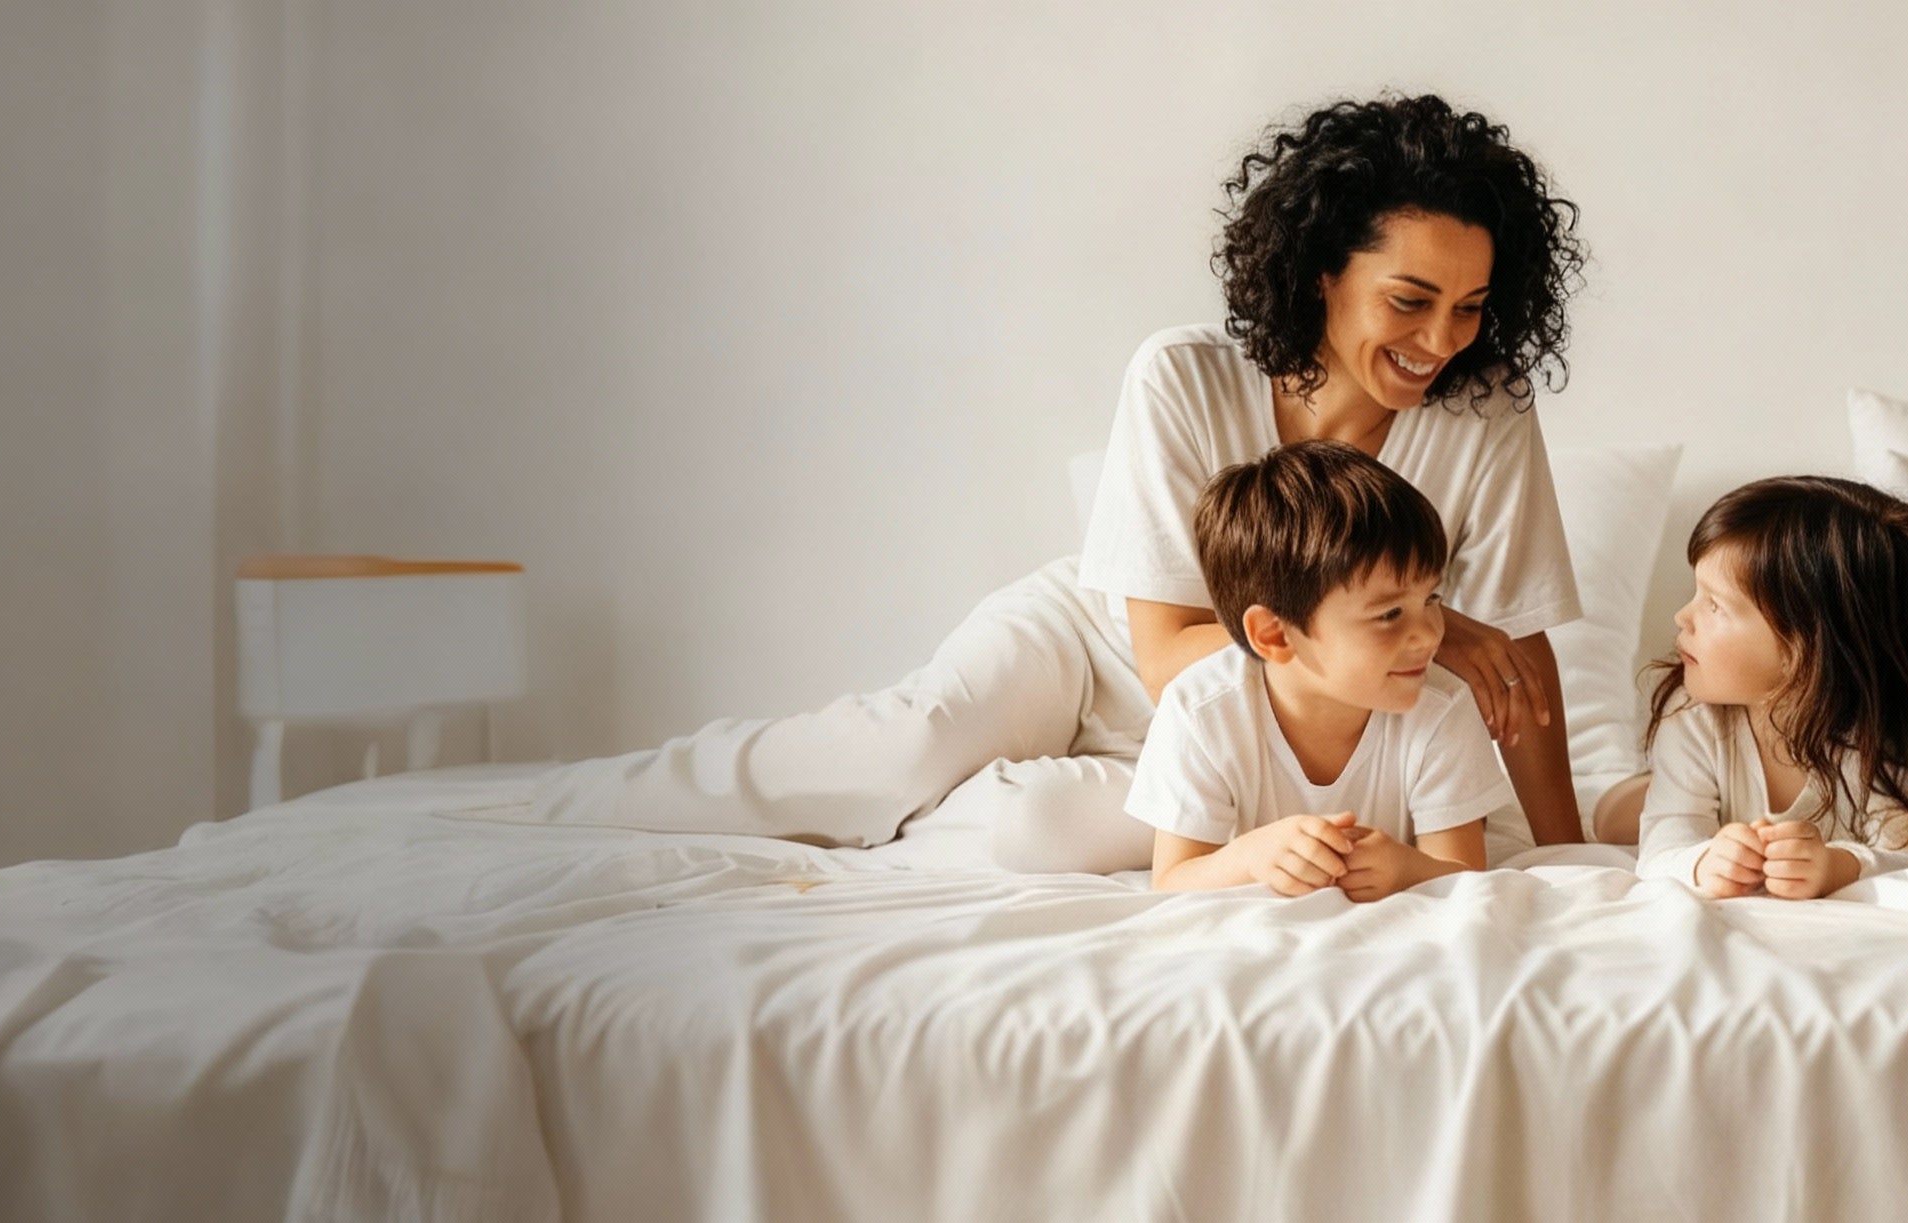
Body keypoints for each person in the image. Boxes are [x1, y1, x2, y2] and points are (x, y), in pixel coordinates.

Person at [529, 93, 1590, 871]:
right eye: (1409, 300)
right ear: (1324, 270)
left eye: (1468, 307)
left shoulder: (1482, 411)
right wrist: (1434, 628)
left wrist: (1574, 860)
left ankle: (916, 826)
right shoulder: (1184, 375)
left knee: (1035, 830)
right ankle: (558, 804)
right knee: (905, 748)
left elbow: (1523, 670)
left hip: (1274, 724)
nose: (1441, 340)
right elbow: (1169, 655)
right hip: (1102, 648)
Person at [1138, 441, 1506, 898]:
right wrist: (1252, 856)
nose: (1431, 636)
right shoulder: (1200, 712)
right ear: (1274, 634)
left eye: (1432, 599)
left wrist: (1408, 869)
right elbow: (1171, 880)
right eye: (1390, 614)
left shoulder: (1442, 707)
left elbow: (1465, 873)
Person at [1629, 477, 1908, 896]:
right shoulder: (1691, 714)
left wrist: (1840, 865)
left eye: (1714, 605)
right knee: (1612, 815)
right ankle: (1642, 788)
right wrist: (1702, 861)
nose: (1682, 616)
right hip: (1688, 775)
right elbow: (1662, 847)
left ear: (1806, 648)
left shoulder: (1880, 732)